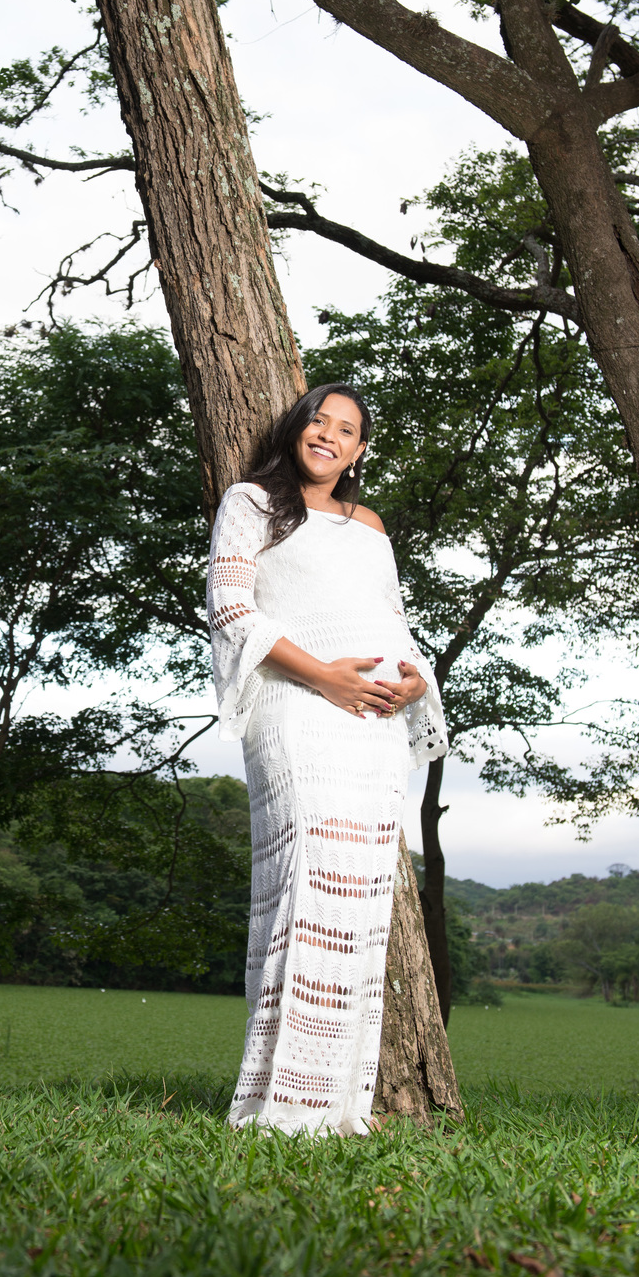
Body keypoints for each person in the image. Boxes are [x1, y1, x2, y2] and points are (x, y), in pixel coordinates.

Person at [207, 383, 447, 1137]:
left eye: (346, 430)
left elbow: (392, 622)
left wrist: (414, 681)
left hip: (374, 726)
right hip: (295, 711)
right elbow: (232, 609)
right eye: (319, 421)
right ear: (296, 429)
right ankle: (277, 1102)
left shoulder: (369, 525)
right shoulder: (251, 503)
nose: (329, 436)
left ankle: (339, 1104)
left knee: (358, 903)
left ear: (358, 451)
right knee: (303, 885)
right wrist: (324, 678)